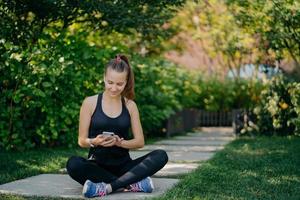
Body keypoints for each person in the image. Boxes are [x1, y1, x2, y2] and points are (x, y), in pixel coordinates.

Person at [66, 54, 168, 198]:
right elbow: (82, 140)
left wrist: (121, 143)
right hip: (97, 167)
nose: (114, 88)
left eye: (119, 84)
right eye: (110, 82)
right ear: (104, 78)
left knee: (161, 155)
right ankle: (130, 184)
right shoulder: (89, 103)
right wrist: (95, 141)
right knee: (73, 164)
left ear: (126, 82)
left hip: (125, 167)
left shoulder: (130, 105)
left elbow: (140, 142)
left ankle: (107, 187)